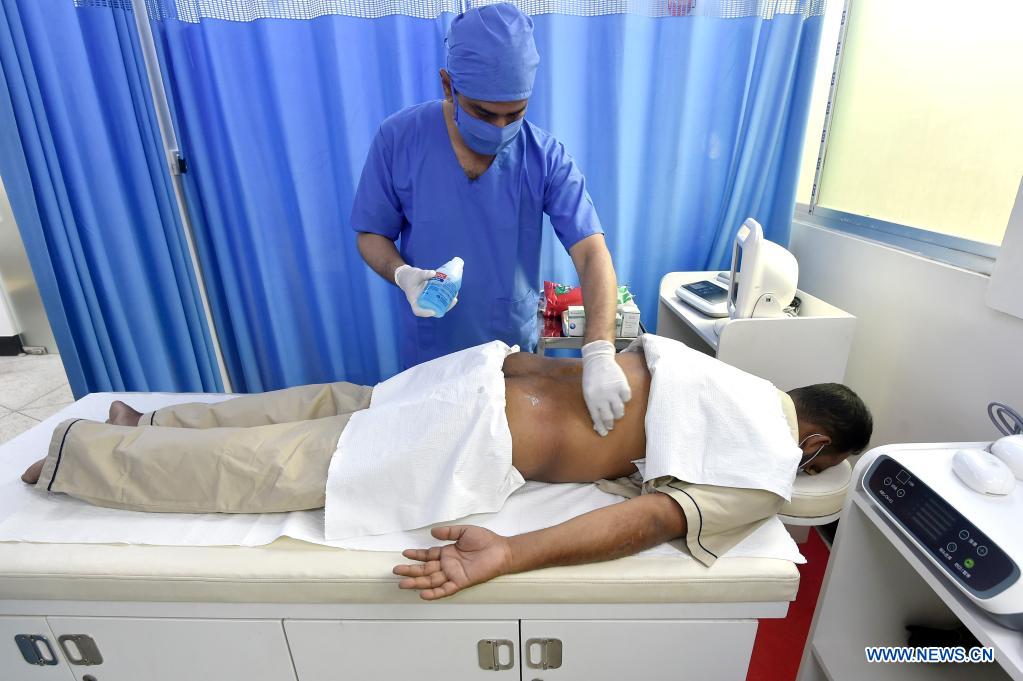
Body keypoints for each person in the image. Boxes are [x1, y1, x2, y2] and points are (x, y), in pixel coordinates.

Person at [21, 342, 872, 600]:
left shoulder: (729, 375)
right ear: (816, 445)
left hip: (482, 372)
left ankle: (141, 425)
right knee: (280, 461)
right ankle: (86, 451)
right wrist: (512, 551)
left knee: (325, 406)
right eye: (821, 464)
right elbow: (651, 519)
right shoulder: (766, 464)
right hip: (474, 425)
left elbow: (643, 472)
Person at [351, 3, 630, 436]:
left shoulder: (544, 157)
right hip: (431, 353)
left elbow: (592, 252)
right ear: (448, 85)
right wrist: (403, 274)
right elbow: (371, 234)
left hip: (511, 353)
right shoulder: (399, 139)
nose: (500, 128)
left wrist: (598, 351)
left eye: (514, 114)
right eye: (484, 113)